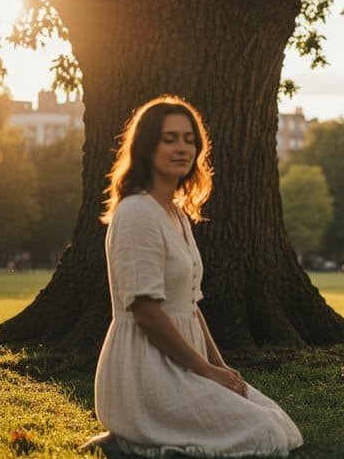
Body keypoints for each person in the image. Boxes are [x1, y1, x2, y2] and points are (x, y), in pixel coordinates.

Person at [86, 95, 303, 457]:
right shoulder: (137, 212)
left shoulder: (176, 214)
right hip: (146, 369)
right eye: (169, 139)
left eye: (189, 139)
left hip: (186, 363)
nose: (182, 148)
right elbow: (145, 311)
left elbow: (190, 306)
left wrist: (220, 367)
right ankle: (130, 439)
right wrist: (204, 370)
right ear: (146, 147)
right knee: (264, 434)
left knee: (277, 422)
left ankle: (139, 439)